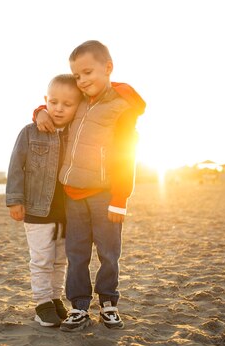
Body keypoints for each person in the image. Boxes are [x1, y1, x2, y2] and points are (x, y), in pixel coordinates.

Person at [33, 40, 146, 331]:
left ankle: (108, 303)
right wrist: (40, 112)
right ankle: (79, 306)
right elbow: (58, 105)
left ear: (107, 68)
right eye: (77, 75)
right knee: (76, 254)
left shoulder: (121, 108)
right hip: (73, 195)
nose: (81, 81)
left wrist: (120, 198)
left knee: (108, 253)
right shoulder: (80, 101)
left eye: (87, 72)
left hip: (105, 194)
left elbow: (126, 155)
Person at [6, 74, 83, 327]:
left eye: (67, 104)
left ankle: (55, 298)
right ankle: (41, 304)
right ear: (45, 101)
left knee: (61, 259)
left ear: (78, 105)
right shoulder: (30, 132)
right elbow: (16, 166)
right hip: (38, 210)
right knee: (41, 259)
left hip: (67, 211)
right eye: (53, 102)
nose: (59, 108)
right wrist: (15, 200)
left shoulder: (76, 132)